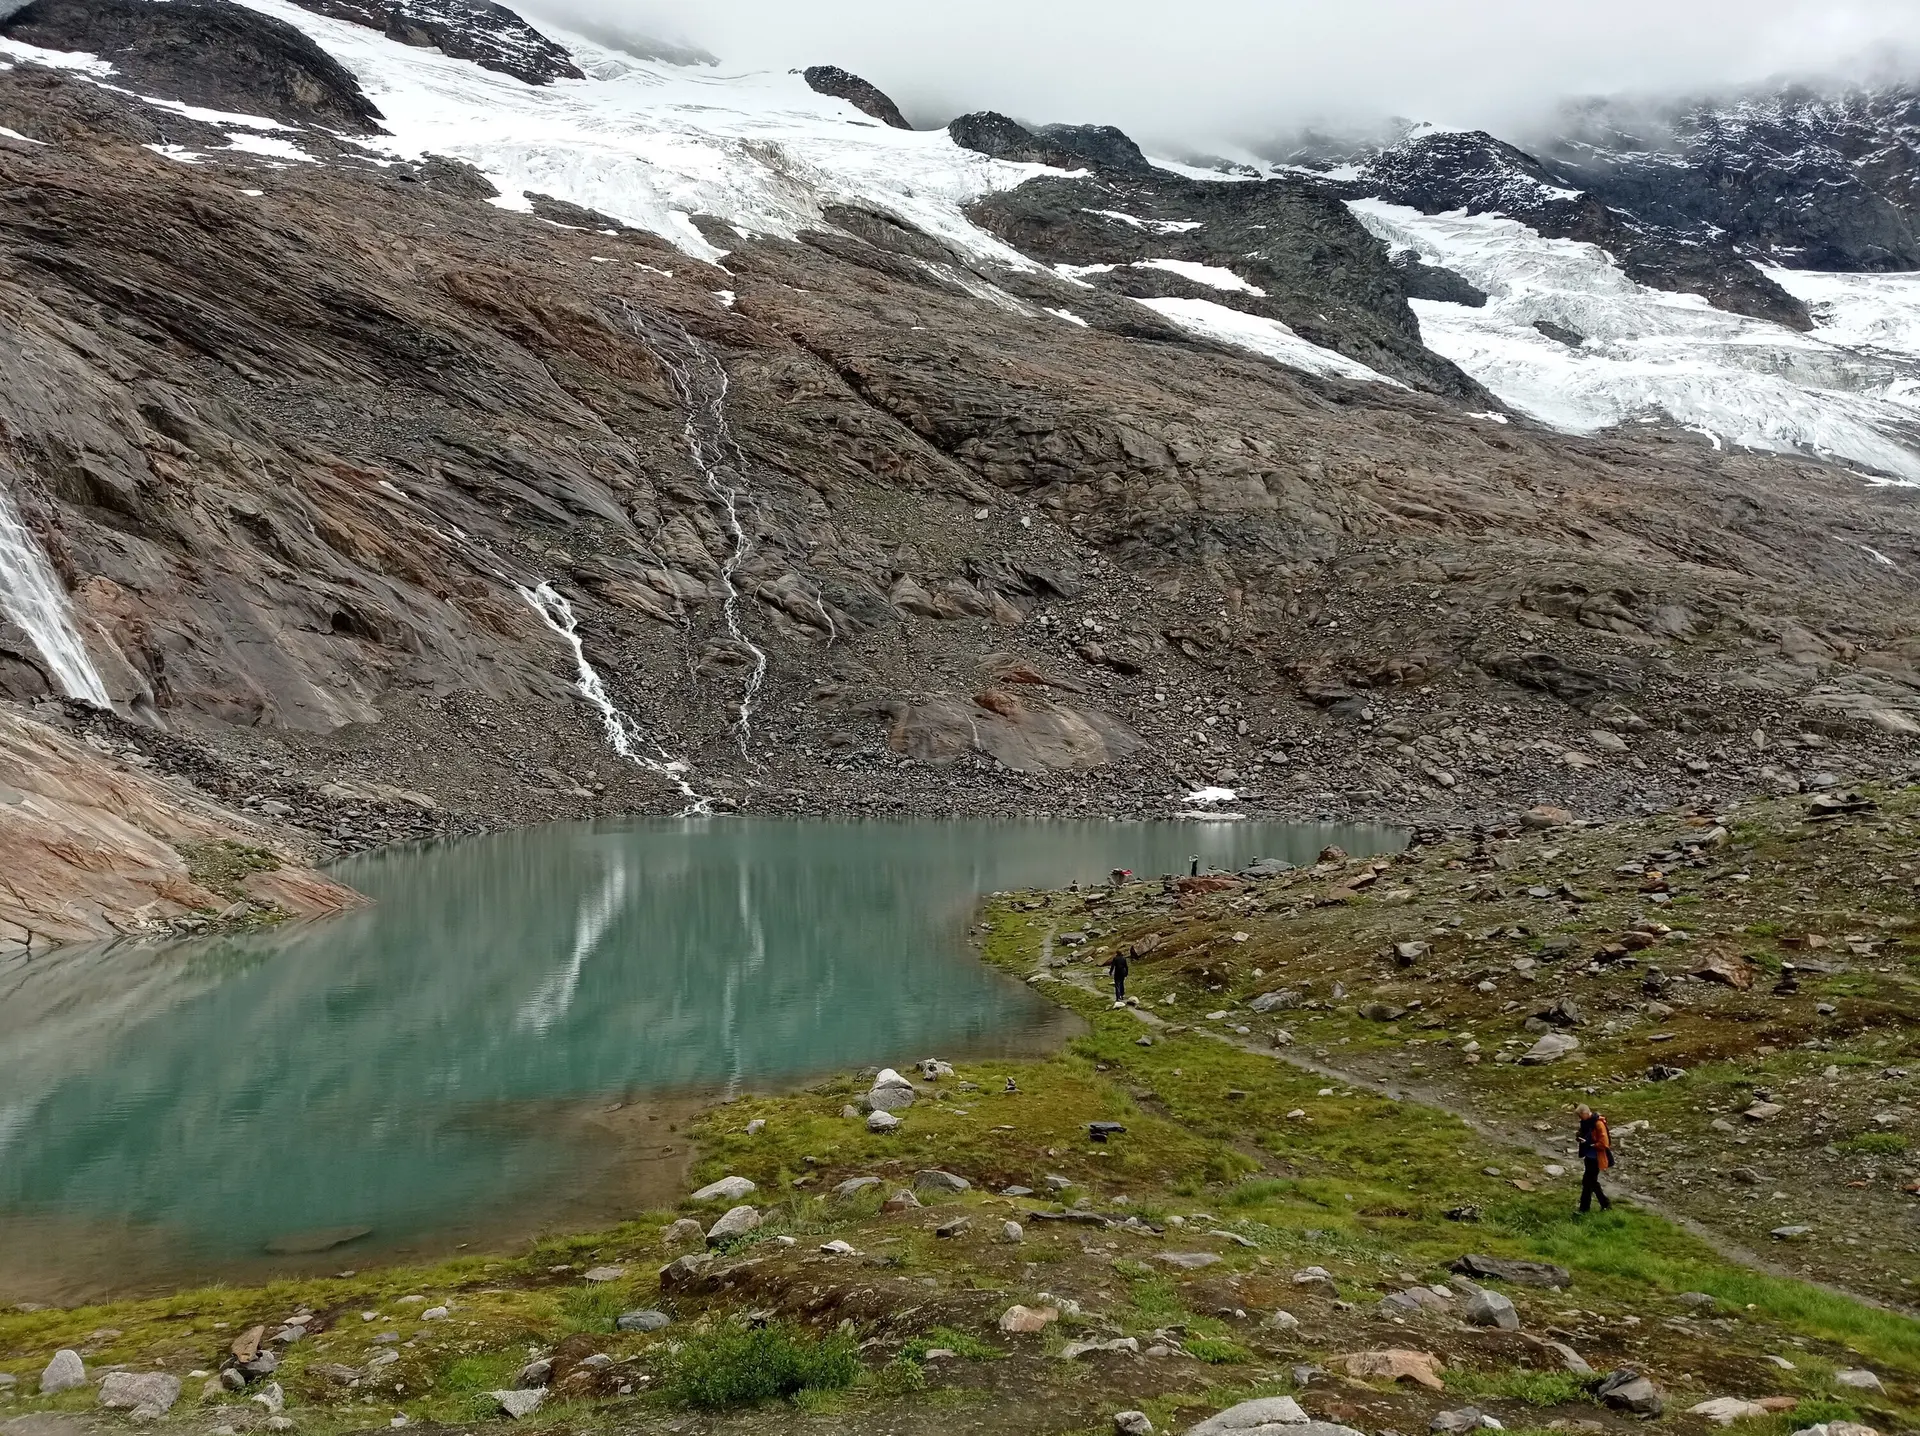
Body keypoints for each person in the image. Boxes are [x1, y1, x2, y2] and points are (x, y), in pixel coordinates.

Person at [1576, 1103, 1613, 1213]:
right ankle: (1603, 1205)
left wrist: (1590, 1144)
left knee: (1589, 1182)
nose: (1579, 1118)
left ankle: (1586, 1208)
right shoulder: (1586, 1123)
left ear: (1585, 1113)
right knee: (1590, 1182)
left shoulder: (1598, 1124)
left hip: (1596, 1157)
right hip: (1589, 1156)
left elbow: (1604, 1143)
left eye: (1580, 1116)